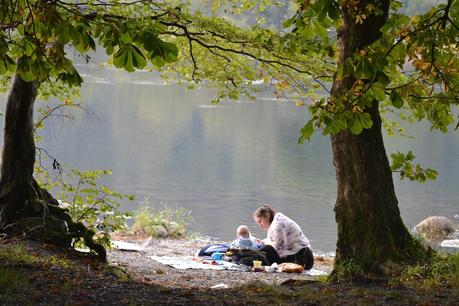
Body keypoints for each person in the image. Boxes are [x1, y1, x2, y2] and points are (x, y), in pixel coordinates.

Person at [253, 204, 314, 270]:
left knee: (266, 249)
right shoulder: (276, 219)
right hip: (296, 254)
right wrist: (264, 241)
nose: (260, 225)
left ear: (267, 216)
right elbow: (276, 241)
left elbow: (279, 249)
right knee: (264, 249)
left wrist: (263, 246)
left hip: (303, 260)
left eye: (260, 221)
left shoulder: (277, 225)